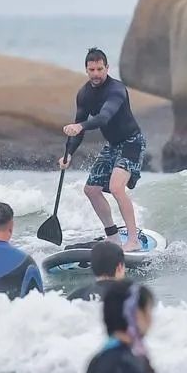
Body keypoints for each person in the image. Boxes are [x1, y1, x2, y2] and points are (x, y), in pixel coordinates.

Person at [61, 48, 146, 251]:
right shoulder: (84, 94)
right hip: (113, 146)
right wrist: (69, 153)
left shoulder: (116, 90)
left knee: (116, 187)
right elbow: (78, 129)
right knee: (91, 190)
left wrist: (80, 126)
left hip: (132, 142)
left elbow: (104, 118)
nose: (96, 74)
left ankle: (133, 240)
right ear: (86, 70)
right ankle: (113, 237)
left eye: (100, 69)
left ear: (107, 68)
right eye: (92, 70)